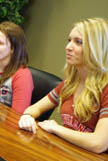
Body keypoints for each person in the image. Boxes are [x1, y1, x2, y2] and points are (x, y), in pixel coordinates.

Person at [18, 18, 108, 154]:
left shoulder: (105, 88)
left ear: (96, 49)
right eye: (69, 40)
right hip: (67, 155)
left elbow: (98, 143)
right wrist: (27, 116)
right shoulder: (69, 83)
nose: (68, 47)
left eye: (78, 42)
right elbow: (35, 108)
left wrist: (56, 128)